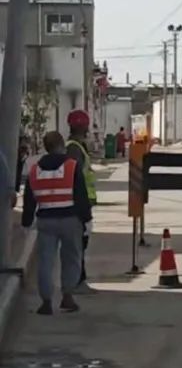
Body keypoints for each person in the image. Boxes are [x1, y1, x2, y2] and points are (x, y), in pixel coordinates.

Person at [22, 130, 92, 315]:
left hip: (46, 220)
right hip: (70, 220)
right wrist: (87, 220)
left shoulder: (35, 170)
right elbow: (81, 196)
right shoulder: (71, 166)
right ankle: (67, 297)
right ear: (62, 145)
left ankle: (46, 302)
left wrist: (26, 221)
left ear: (46, 147)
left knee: (45, 261)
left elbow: (29, 200)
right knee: (71, 258)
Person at [66, 109, 96, 285]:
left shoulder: (76, 147)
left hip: (81, 201)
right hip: (79, 203)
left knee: (81, 242)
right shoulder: (74, 148)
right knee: (79, 243)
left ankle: (78, 278)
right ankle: (77, 280)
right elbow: (75, 178)